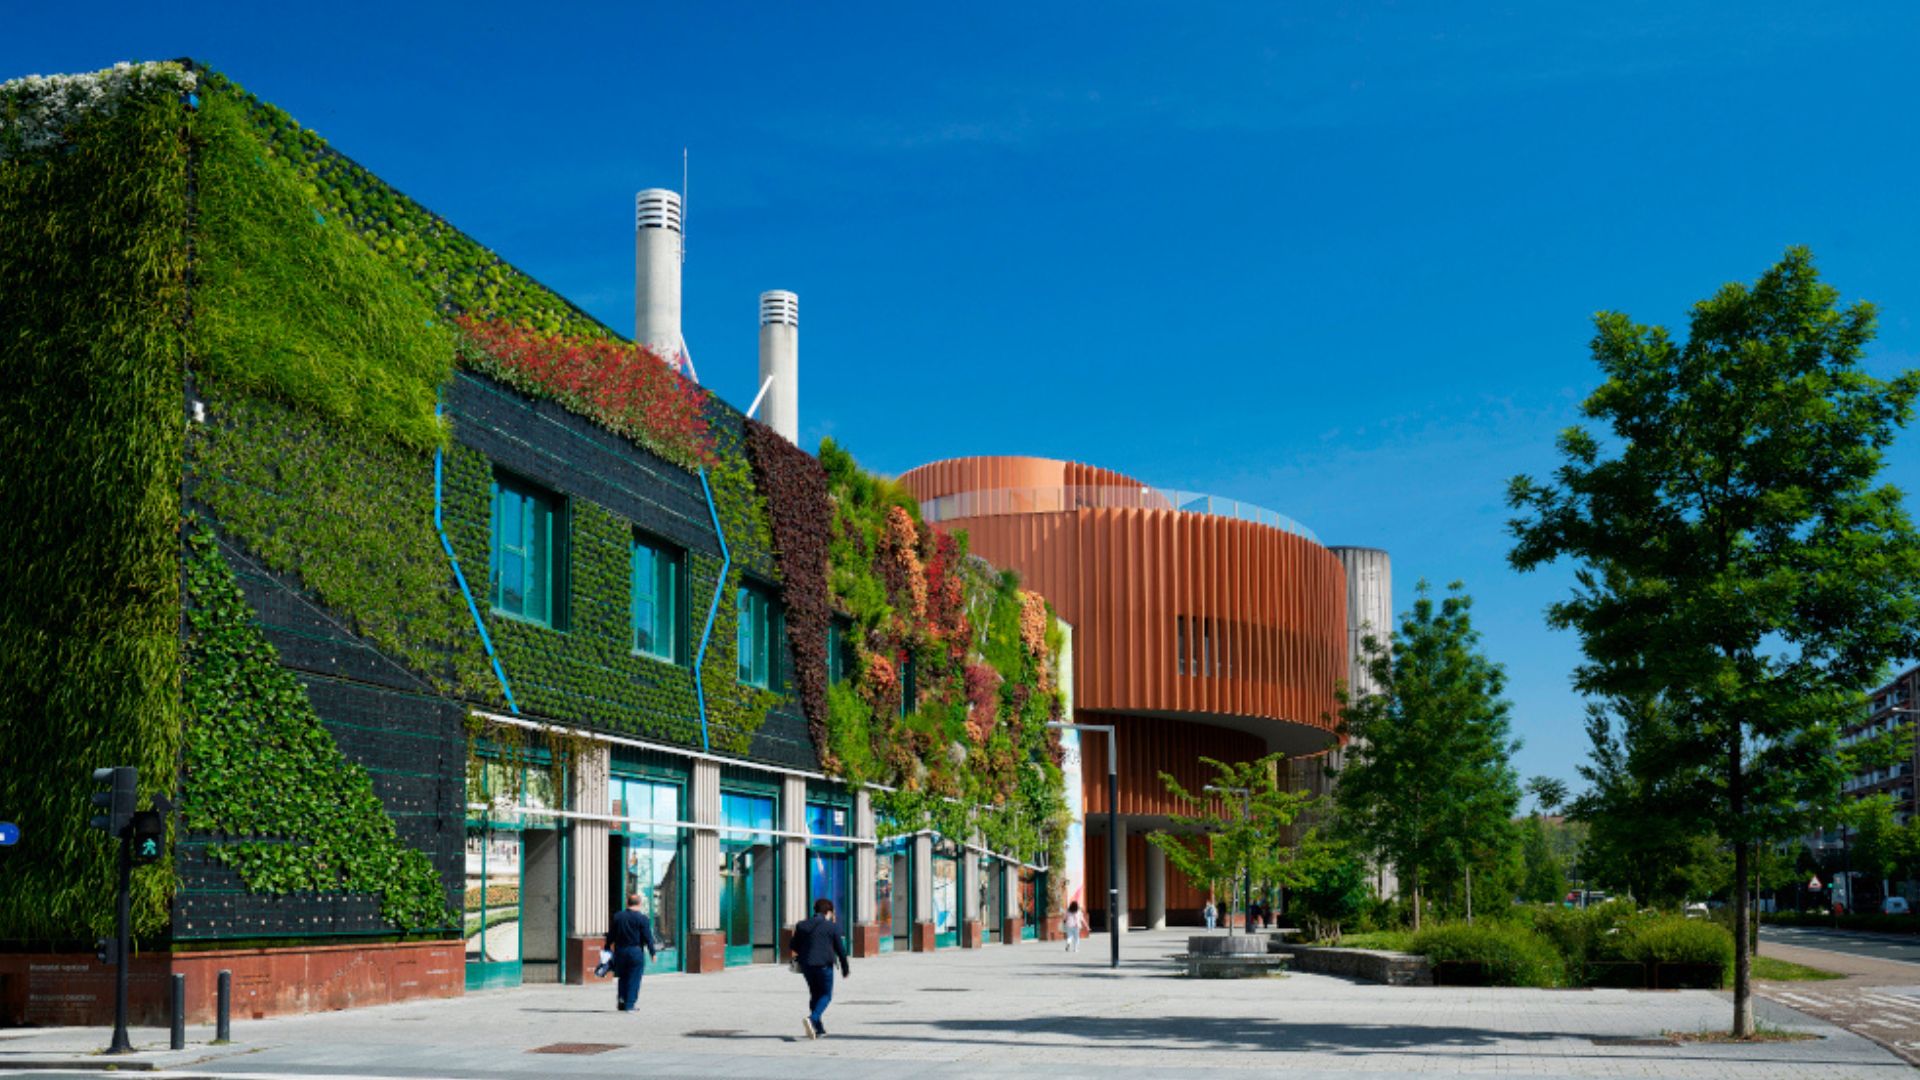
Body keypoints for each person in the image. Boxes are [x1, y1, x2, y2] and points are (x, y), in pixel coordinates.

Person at [790, 898, 850, 1040]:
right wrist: (845, 968)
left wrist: (806, 950)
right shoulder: (832, 927)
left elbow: (793, 945)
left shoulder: (802, 925)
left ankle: (819, 1028)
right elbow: (840, 950)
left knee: (815, 994)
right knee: (826, 995)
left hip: (807, 965)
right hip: (824, 965)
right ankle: (812, 1019)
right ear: (828, 912)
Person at [604, 892, 658, 1012]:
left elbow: (611, 935)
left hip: (620, 951)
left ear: (627, 903)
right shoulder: (642, 919)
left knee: (622, 977)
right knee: (634, 978)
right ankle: (630, 1005)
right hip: (635, 951)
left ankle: (622, 1001)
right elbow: (648, 937)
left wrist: (607, 947)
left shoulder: (618, 916)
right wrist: (652, 952)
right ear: (639, 903)